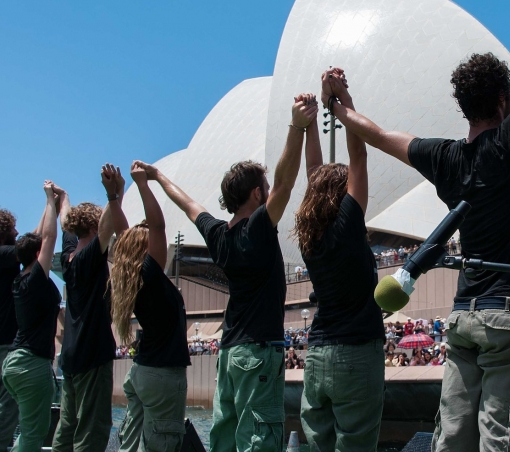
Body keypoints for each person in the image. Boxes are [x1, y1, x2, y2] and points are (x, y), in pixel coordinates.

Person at [321, 4, 510, 448]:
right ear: (504, 102)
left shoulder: (444, 159)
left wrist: (342, 108)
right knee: (505, 437)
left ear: (465, 109)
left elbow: (380, 135)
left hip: (464, 315)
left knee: (452, 437)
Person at [135, 93, 316, 451]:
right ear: (255, 194)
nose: (269, 193)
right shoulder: (259, 227)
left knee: (224, 438)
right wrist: (297, 126)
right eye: (263, 189)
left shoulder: (218, 235)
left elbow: (189, 205)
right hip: (259, 351)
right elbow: (285, 183)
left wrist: (157, 177)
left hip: (230, 352)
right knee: (259, 440)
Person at [294, 76, 385, 452]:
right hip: (356, 351)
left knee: (317, 446)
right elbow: (359, 156)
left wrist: (311, 120)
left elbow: (313, 174)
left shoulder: (309, 237)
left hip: (317, 354)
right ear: (344, 192)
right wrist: (341, 101)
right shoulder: (349, 223)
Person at [113, 163, 191, 452]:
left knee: (131, 445)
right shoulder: (150, 274)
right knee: (162, 444)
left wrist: (114, 196)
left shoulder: (131, 275)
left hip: (142, 372)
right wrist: (144, 184)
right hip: (162, 376)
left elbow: (123, 236)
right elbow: (157, 225)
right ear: (145, 249)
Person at [52, 165, 128, 452]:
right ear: (96, 227)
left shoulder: (70, 256)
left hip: (70, 357)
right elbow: (107, 230)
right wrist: (114, 195)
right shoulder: (88, 259)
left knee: (67, 428)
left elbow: (64, 223)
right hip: (91, 355)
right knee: (91, 431)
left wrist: (63, 198)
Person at [2, 181, 61, 451]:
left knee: (23, 428)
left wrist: (52, 207)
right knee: (30, 432)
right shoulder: (32, 277)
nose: (16, 232)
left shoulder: (19, 279)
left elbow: (37, 239)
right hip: (27, 361)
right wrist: (50, 200)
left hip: (14, 361)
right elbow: (45, 239)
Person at [0, 208, 21, 449]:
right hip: (5, 343)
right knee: (9, 405)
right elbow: (34, 245)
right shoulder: (5, 254)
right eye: (12, 229)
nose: (17, 232)